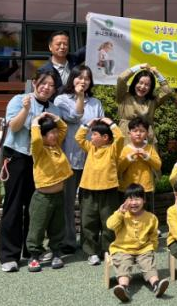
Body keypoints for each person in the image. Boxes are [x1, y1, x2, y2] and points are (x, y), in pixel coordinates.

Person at [0, 70, 61, 273]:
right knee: (13, 206)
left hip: (39, 161)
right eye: (43, 83)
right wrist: (26, 110)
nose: (47, 88)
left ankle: (31, 250)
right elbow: (14, 127)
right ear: (34, 83)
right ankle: (9, 255)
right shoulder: (19, 100)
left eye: (51, 85)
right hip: (17, 157)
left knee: (34, 207)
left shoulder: (54, 109)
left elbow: (55, 137)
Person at [54, 65, 105, 254]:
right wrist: (80, 97)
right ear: (72, 79)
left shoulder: (96, 102)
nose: (83, 81)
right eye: (79, 77)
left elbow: (102, 128)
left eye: (87, 78)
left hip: (92, 160)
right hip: (69, 157)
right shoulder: (61, 100)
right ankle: (68, 240)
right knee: (67, 202)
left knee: (89, 204)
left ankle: (89, 242)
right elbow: (74, 117)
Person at [25, 113, 72, 272]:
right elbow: (36, 140)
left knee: (57, 227)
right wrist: (36, 121)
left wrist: (52, 116)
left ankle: (56, 253)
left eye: (55, 132)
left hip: (59, 196)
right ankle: (34, 256)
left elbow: (63, 128)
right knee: (37, 228)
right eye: (51, 133)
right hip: (42, 198)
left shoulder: (56, 145)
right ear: (43, 136)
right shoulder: (38, 149)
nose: (56, 135)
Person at [107, 184, 169, 302]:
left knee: (148, 264)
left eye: (137, 199)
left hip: (143, 249)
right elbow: (110, 225)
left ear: (144, 200)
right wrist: (120, 212)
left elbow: (153, 235)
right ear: (125, 201)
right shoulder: (122, 214)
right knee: (123, 264)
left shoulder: (151, 217)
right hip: (122, 249)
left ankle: (156, 284)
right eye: (130, 199)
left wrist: (152, 247)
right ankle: (123, 287)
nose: (134, 202)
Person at [75, 117, 125, 265]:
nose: (91, 137)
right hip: (88, 190)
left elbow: (120, 137)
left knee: (108, 221)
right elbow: (78, 137)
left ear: (105, 138)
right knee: (88, 221)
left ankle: (108, 250)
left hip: (108, 190)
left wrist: (110, 123)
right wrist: (88, 124)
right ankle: (91, 252)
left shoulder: (112, 149)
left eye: (94, 134)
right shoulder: (91, 148)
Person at [116, 63, 172, 145]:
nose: (142, 87)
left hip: (147, 139)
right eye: (140, 83)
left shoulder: (153, 101)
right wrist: (138, 67)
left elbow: (167, 92)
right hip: (125, 137)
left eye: (147, 85)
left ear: (151, 87)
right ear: (135, 83)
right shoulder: (124, 96)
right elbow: (121, 79)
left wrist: (157, 73)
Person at [117, 117, 162, 211]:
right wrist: (129, 158)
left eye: (142, 131)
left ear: (147, 133)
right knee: (128, 215)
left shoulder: (149, 148)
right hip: (128, 188)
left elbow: (158, 165)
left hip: (146, 188)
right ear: (129, 133)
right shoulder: (125, 149)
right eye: (135, 131)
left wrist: (147, 156)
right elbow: (119, 169)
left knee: (147, 214)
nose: (138, 134)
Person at [37, 30, 86, 95]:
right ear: (50, 47)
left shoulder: (74, 59)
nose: (62, 47)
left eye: (65, 44)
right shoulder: (44, 70)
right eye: (58, 44)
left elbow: (90, 47)